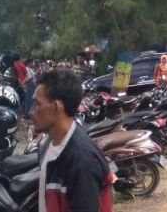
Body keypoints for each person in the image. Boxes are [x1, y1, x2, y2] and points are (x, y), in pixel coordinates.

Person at [31, 68, 114, 212]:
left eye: (37, 104)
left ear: (56, 107)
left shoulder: (81, 159)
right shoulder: (47, 145)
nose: (31, 112)